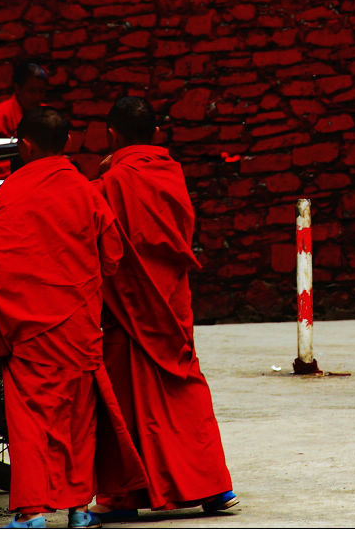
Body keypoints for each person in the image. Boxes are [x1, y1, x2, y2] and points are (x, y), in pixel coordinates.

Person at [0, 107, 147, 528]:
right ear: (68, 142)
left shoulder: (11, 192)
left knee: (30, 420)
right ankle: (79, 508)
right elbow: (112, 256)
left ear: (24, 146)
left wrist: (9, 317)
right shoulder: (86, 190)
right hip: (77, 322)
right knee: (77, 419)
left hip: (27, 325)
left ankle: (33, 511)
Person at [89, 96, 237, 520]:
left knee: (125, 395)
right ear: (155, 134)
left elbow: (98, 237)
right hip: (170, 301)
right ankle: (213, 486)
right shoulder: (171, 173)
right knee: (183, 387)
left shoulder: (110, 183)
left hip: (129, 304)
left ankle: (123, 496)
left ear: (112, 135)